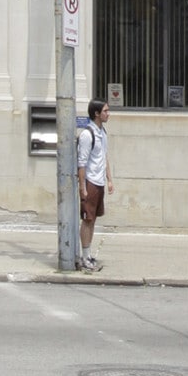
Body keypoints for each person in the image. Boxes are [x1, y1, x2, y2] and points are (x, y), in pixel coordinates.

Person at [76, 98, 112, 271]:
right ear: (96, 113)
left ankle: (88, 254)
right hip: (90, 182)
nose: (108, 114)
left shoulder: (102, 132)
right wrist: (82, 187)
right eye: (105, 111)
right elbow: (81, 163)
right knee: (87, 220)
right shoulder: (87, 135)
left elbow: (104, 157)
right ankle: (84, 257)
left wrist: (109, 179)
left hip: (99, 182)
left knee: (93, 219)